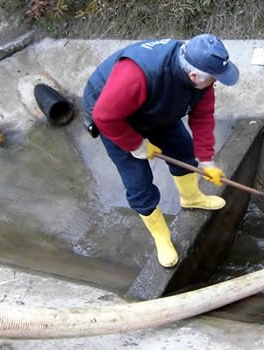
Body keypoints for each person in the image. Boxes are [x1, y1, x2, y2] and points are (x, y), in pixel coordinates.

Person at [82, 34, 239, 268]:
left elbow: (203, 116)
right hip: (114, 115)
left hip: (156, 105)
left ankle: (191, 198)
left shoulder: (201, 74)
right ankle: (161, 236)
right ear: (194, 75)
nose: (215, 83)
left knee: (183, 150)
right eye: (214, 79)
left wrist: (206, 160)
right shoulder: (138, 75)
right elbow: (105, 116)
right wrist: (136, 145)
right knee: (138, 180)